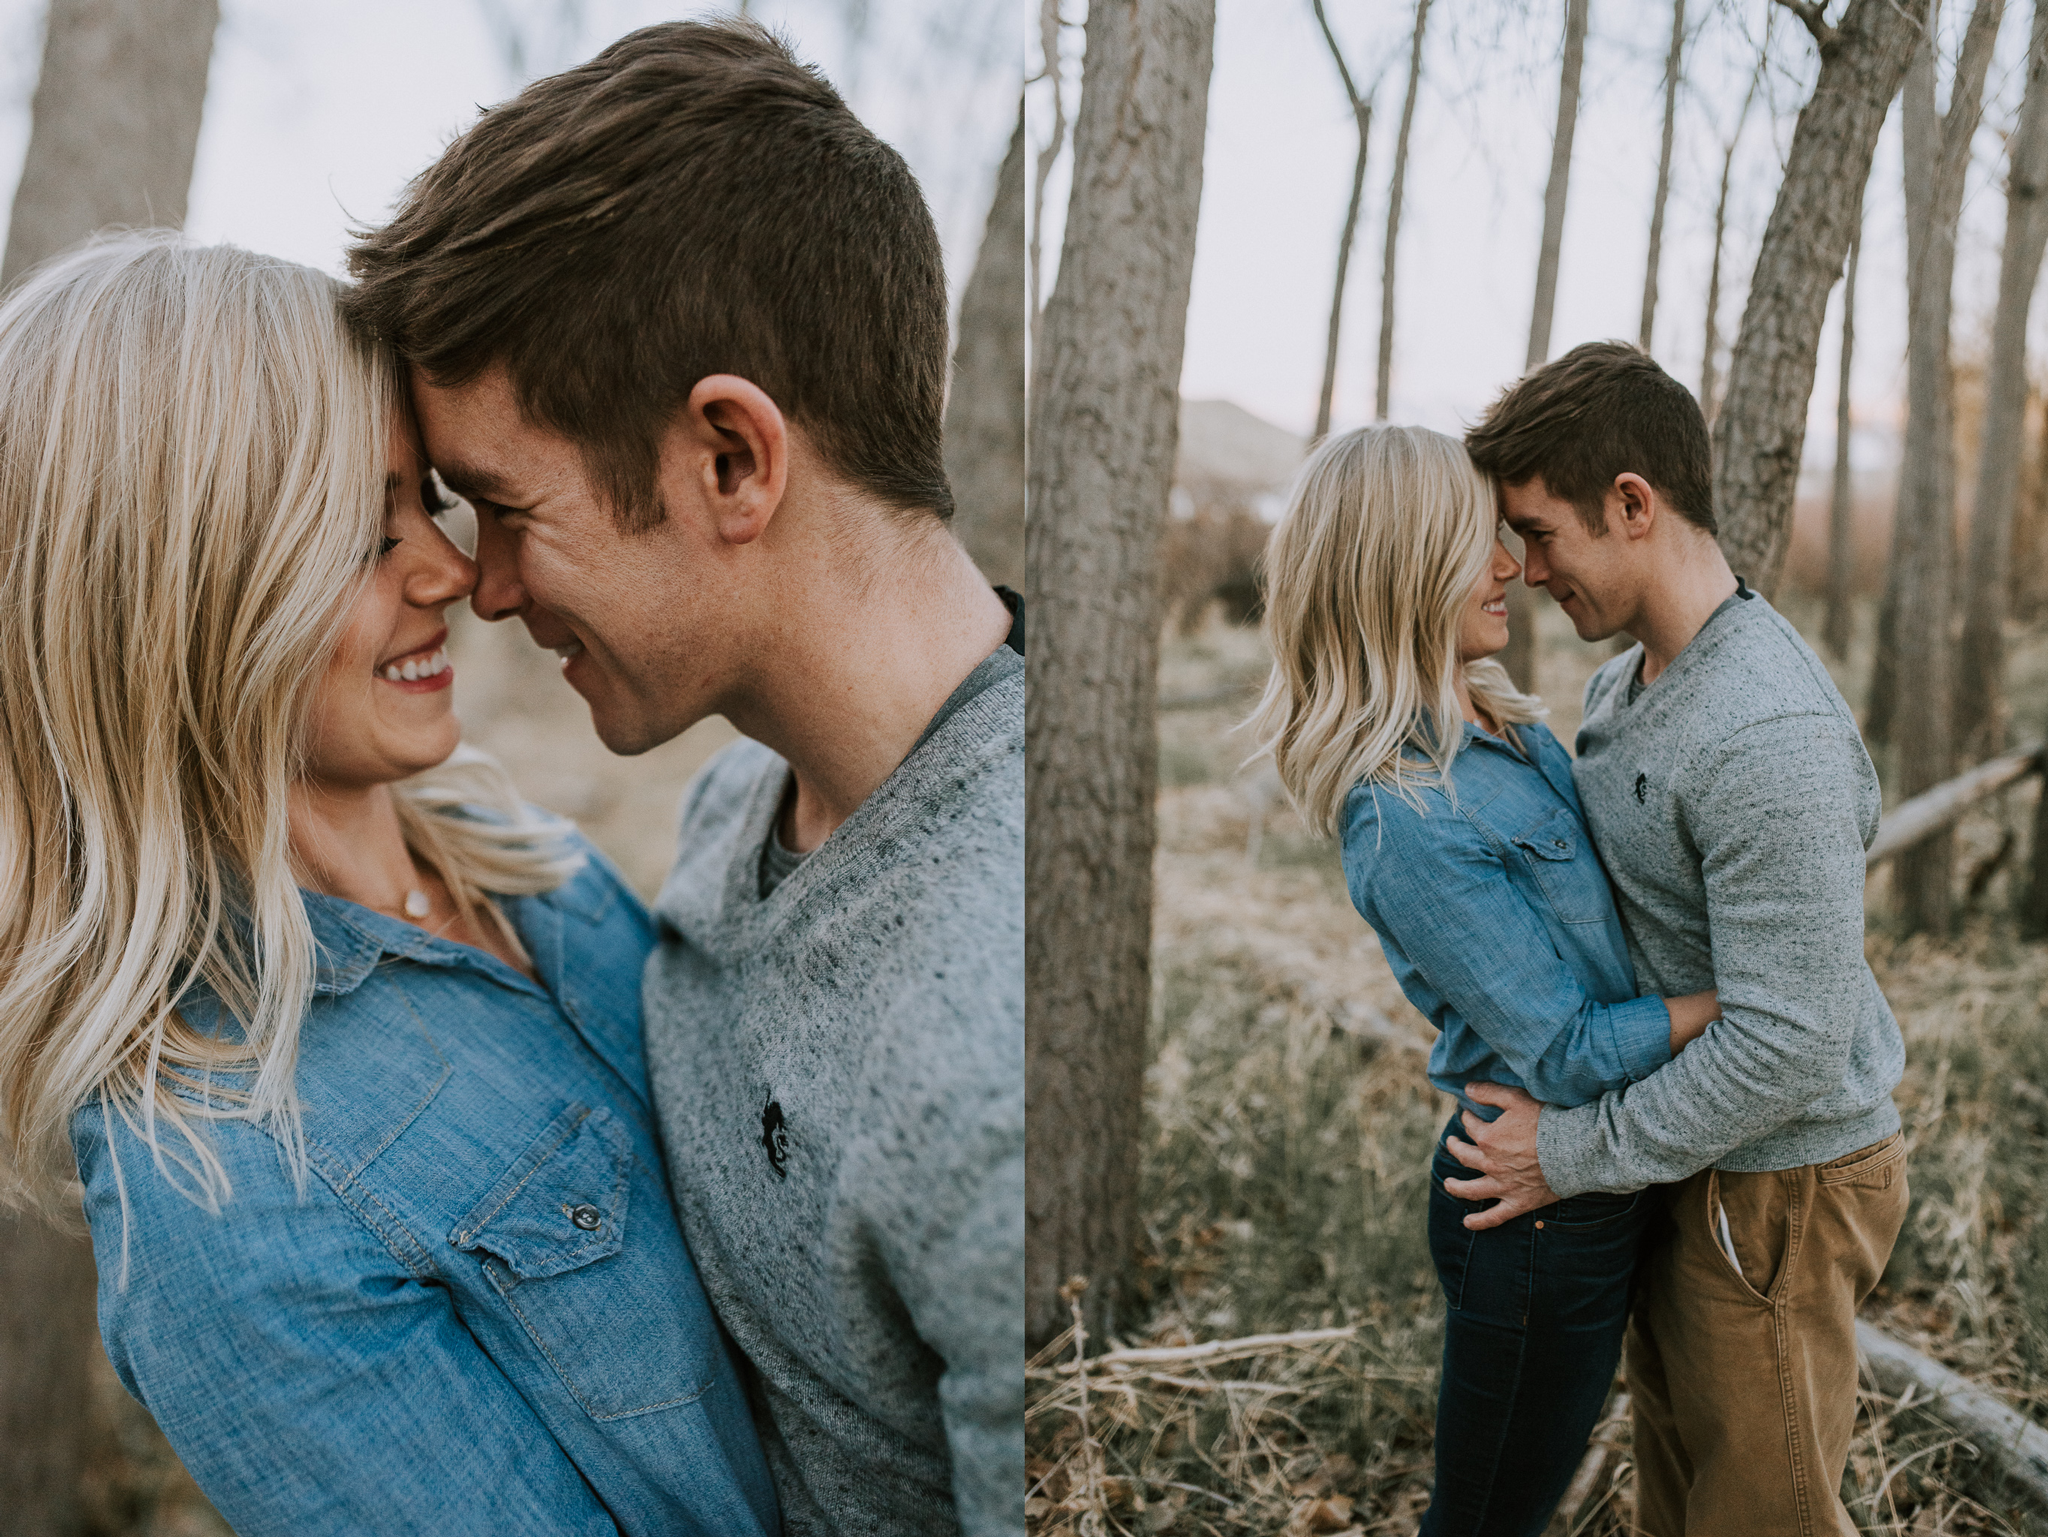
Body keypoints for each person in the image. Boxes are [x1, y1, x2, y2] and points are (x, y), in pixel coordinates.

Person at [344, 20, 1023, 1537]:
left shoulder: (989, 1043)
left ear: (732, 459)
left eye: (510, 508)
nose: (485, 585)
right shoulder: (739, 804)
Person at [0, 235, 777, 1537]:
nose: (455, 575)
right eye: (367, 535)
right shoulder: (225, 1192)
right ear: (179, 601)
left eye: (425, 502)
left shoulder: (509, 842)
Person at [1451, 341, 1909, 1537]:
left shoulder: (1764, 733)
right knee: (1681, 1505)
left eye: (1537, 532)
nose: (1519, 567)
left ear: (1631, 505)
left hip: (1779, 1186)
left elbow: (1791, 1043)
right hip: (1690, 1159)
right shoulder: (1625, 686)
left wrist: (1575, 1149)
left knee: (1763, 1521)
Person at [1250, 424, 1723, 1536]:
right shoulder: (1402, 812)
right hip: (1535, 1222)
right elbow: (1560, 1050)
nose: (1512, 565)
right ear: (1401, 569)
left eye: (1506, 540)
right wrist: (1737, 1001)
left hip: (1593, 1181)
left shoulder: (1505, 729)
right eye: (1478, 545)